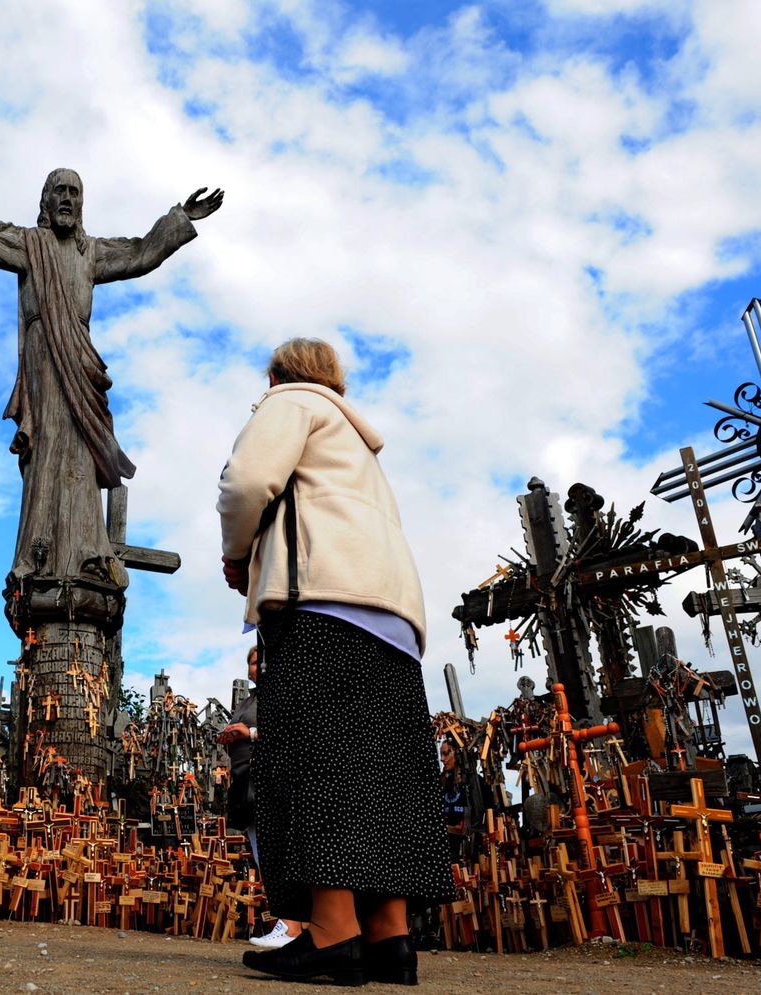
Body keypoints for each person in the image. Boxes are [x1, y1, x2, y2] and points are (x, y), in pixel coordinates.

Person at [218, 337, 453, 986]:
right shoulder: (360, 448)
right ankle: (389, 938)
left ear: (275, 373)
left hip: (321, 599)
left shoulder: (290, 402)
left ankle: (333, 932)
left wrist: (238, 553)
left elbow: (245, 483)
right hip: (393, 617)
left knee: (316, 759)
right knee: (382, 772)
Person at [0, 154, 222, 584]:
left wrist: (182, 218)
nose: (67, 199)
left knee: (79, 454)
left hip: (79, 359)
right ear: (45, 199)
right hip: (44, 357)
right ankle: (39, 551)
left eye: (75, 192)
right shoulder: (27, 243)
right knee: (49, 445)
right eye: (60, 191)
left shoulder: (90, 252)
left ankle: (86, 547)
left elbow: (142, 253)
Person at [216, 644, 303, 949]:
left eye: (258, 662)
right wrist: (228, 736)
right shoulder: (248, 699)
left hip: (268, 778)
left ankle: (291, 925)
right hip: (244, 779)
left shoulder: (281, 692)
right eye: (250, 663)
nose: (254, 668)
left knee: (274, 849)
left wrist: (248, 733)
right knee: (260, 851)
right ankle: (287, 922)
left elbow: (292, 731)